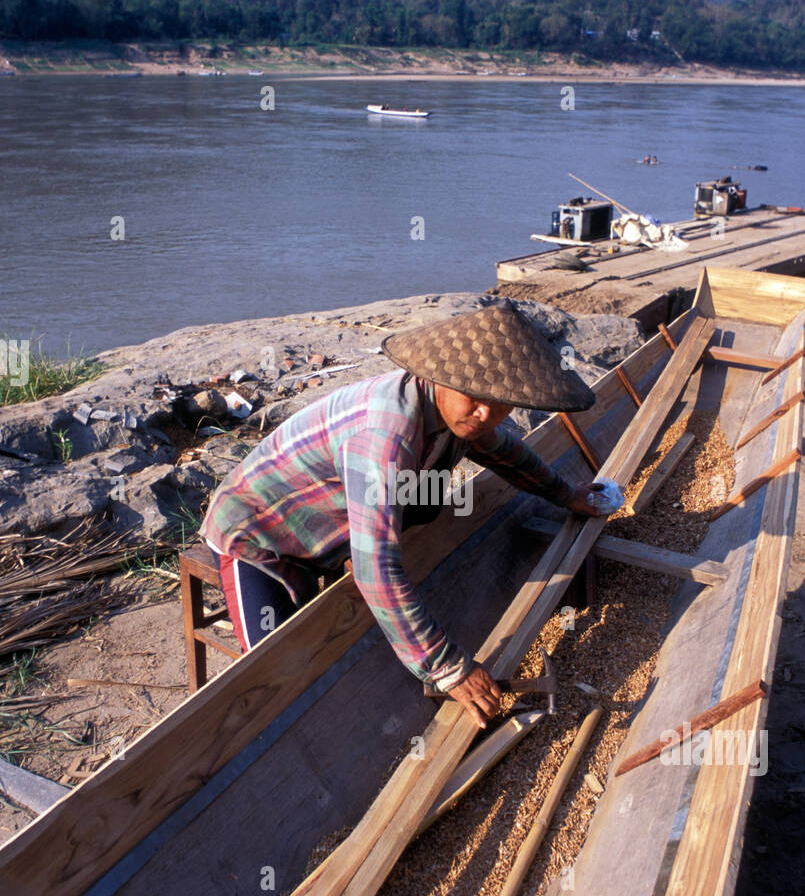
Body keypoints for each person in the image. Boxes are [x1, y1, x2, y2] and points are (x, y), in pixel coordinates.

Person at [200, 301, 621, 727]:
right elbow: (377, 569)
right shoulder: (385, 436)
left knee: (429, 499)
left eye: (500, 405)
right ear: (441, 377)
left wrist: (567, 494)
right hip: (257, 530)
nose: (484, 415)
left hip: (331, 512)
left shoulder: (451, 414)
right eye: (475, 399)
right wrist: (449, 668)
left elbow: (507, 453)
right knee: (275, 671)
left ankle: (371, 579)